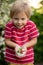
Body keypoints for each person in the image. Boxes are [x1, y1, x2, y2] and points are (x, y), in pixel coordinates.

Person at [4, 0, 40, 65]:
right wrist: (16, 46)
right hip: (12, 58)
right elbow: (7, 41)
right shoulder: (9, 26)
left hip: (27, 58)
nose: (19, 22)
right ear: (12, 17)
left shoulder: (31, 25)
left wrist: (25, 46)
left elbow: (34, 40)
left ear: (28, 17)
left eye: (23, 19)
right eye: (16, 19)